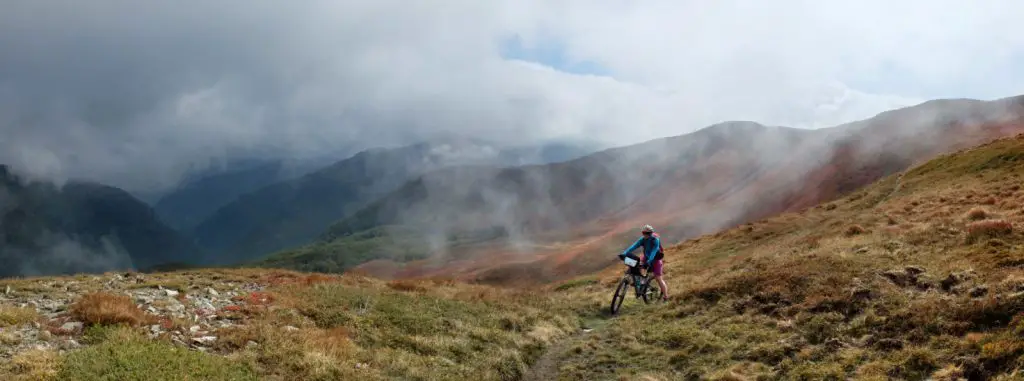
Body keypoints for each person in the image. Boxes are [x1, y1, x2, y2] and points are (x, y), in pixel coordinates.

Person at [618, 224, 669, 300]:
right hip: (646, 257)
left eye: (648, 233)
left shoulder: (655, 240)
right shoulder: (642, 239)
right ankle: (640, 284)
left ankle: (666, 296)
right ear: (642, 233)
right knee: (637, 267)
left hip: (656, 260)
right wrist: (625, 253)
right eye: (644, 233)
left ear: (651, 233)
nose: (646, 235)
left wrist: (650, 260)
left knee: (658, 279)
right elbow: (634, 246)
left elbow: (654, 251)